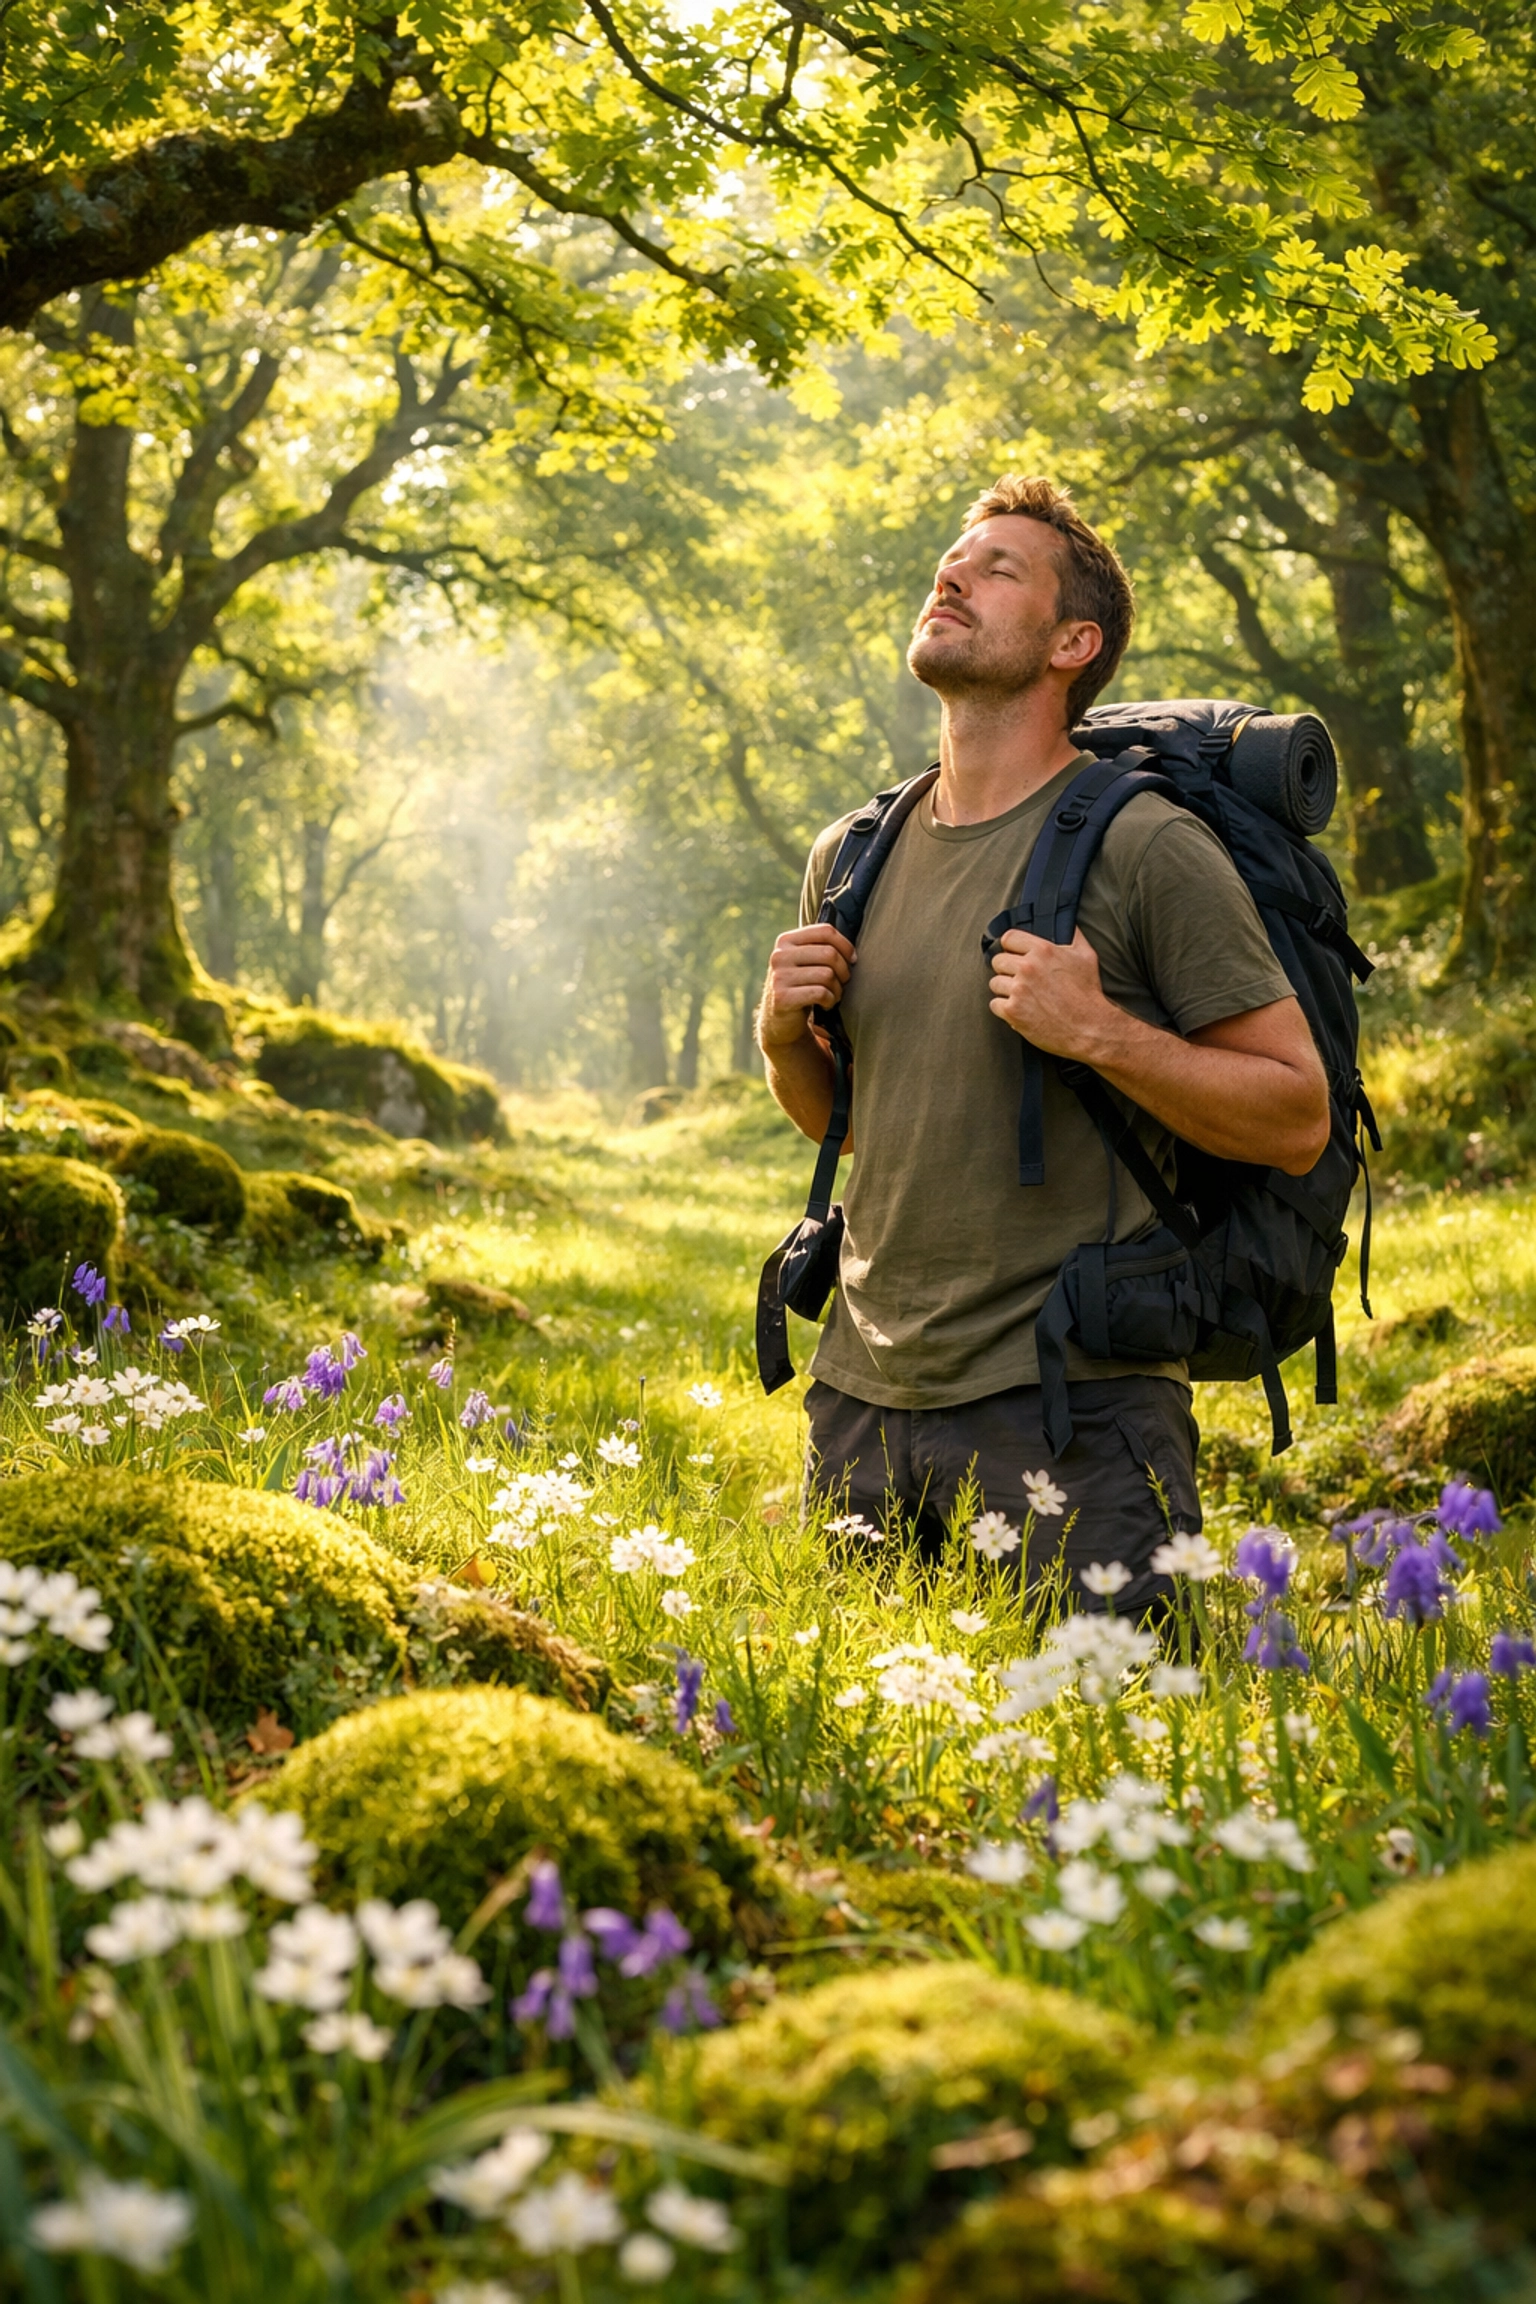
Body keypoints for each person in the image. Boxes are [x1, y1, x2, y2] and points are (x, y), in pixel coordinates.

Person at [755, 475, 1329, 1611]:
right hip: (860, 1399)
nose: (951, 575)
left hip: (1071, 1410)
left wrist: (1103, 1032)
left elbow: (1297, 1118)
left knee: (1125, 1755)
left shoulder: (1145, 846)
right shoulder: (853, 854)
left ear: (1076, 642)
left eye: (996, 567)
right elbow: (860, 1128)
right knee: (871, 1779)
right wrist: (782, 1041)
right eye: (949, 562)